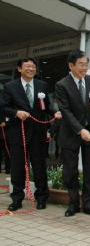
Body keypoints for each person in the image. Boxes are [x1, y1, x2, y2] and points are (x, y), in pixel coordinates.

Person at [1, 58, 62, 211]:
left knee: (39, 165)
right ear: (19, 69)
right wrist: (16, 112)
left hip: (37, 133)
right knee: (17, 167)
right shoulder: (10, 87)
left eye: (33, 66)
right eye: (27, 66)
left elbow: (45, 106)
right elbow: (3, 107)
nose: (31, 69)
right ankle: (17, 199)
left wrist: (56, 113)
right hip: (18, 132)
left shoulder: (42, 85)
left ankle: (41, 197)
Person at [55, 49, 90, 217]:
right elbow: (66, 111)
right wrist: (80, 129)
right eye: (81, 65)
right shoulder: (62, 85)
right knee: (70, 170)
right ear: (71, 65)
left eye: (86, 64)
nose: (84, 68)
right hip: (71, 134)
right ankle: (73, 203)